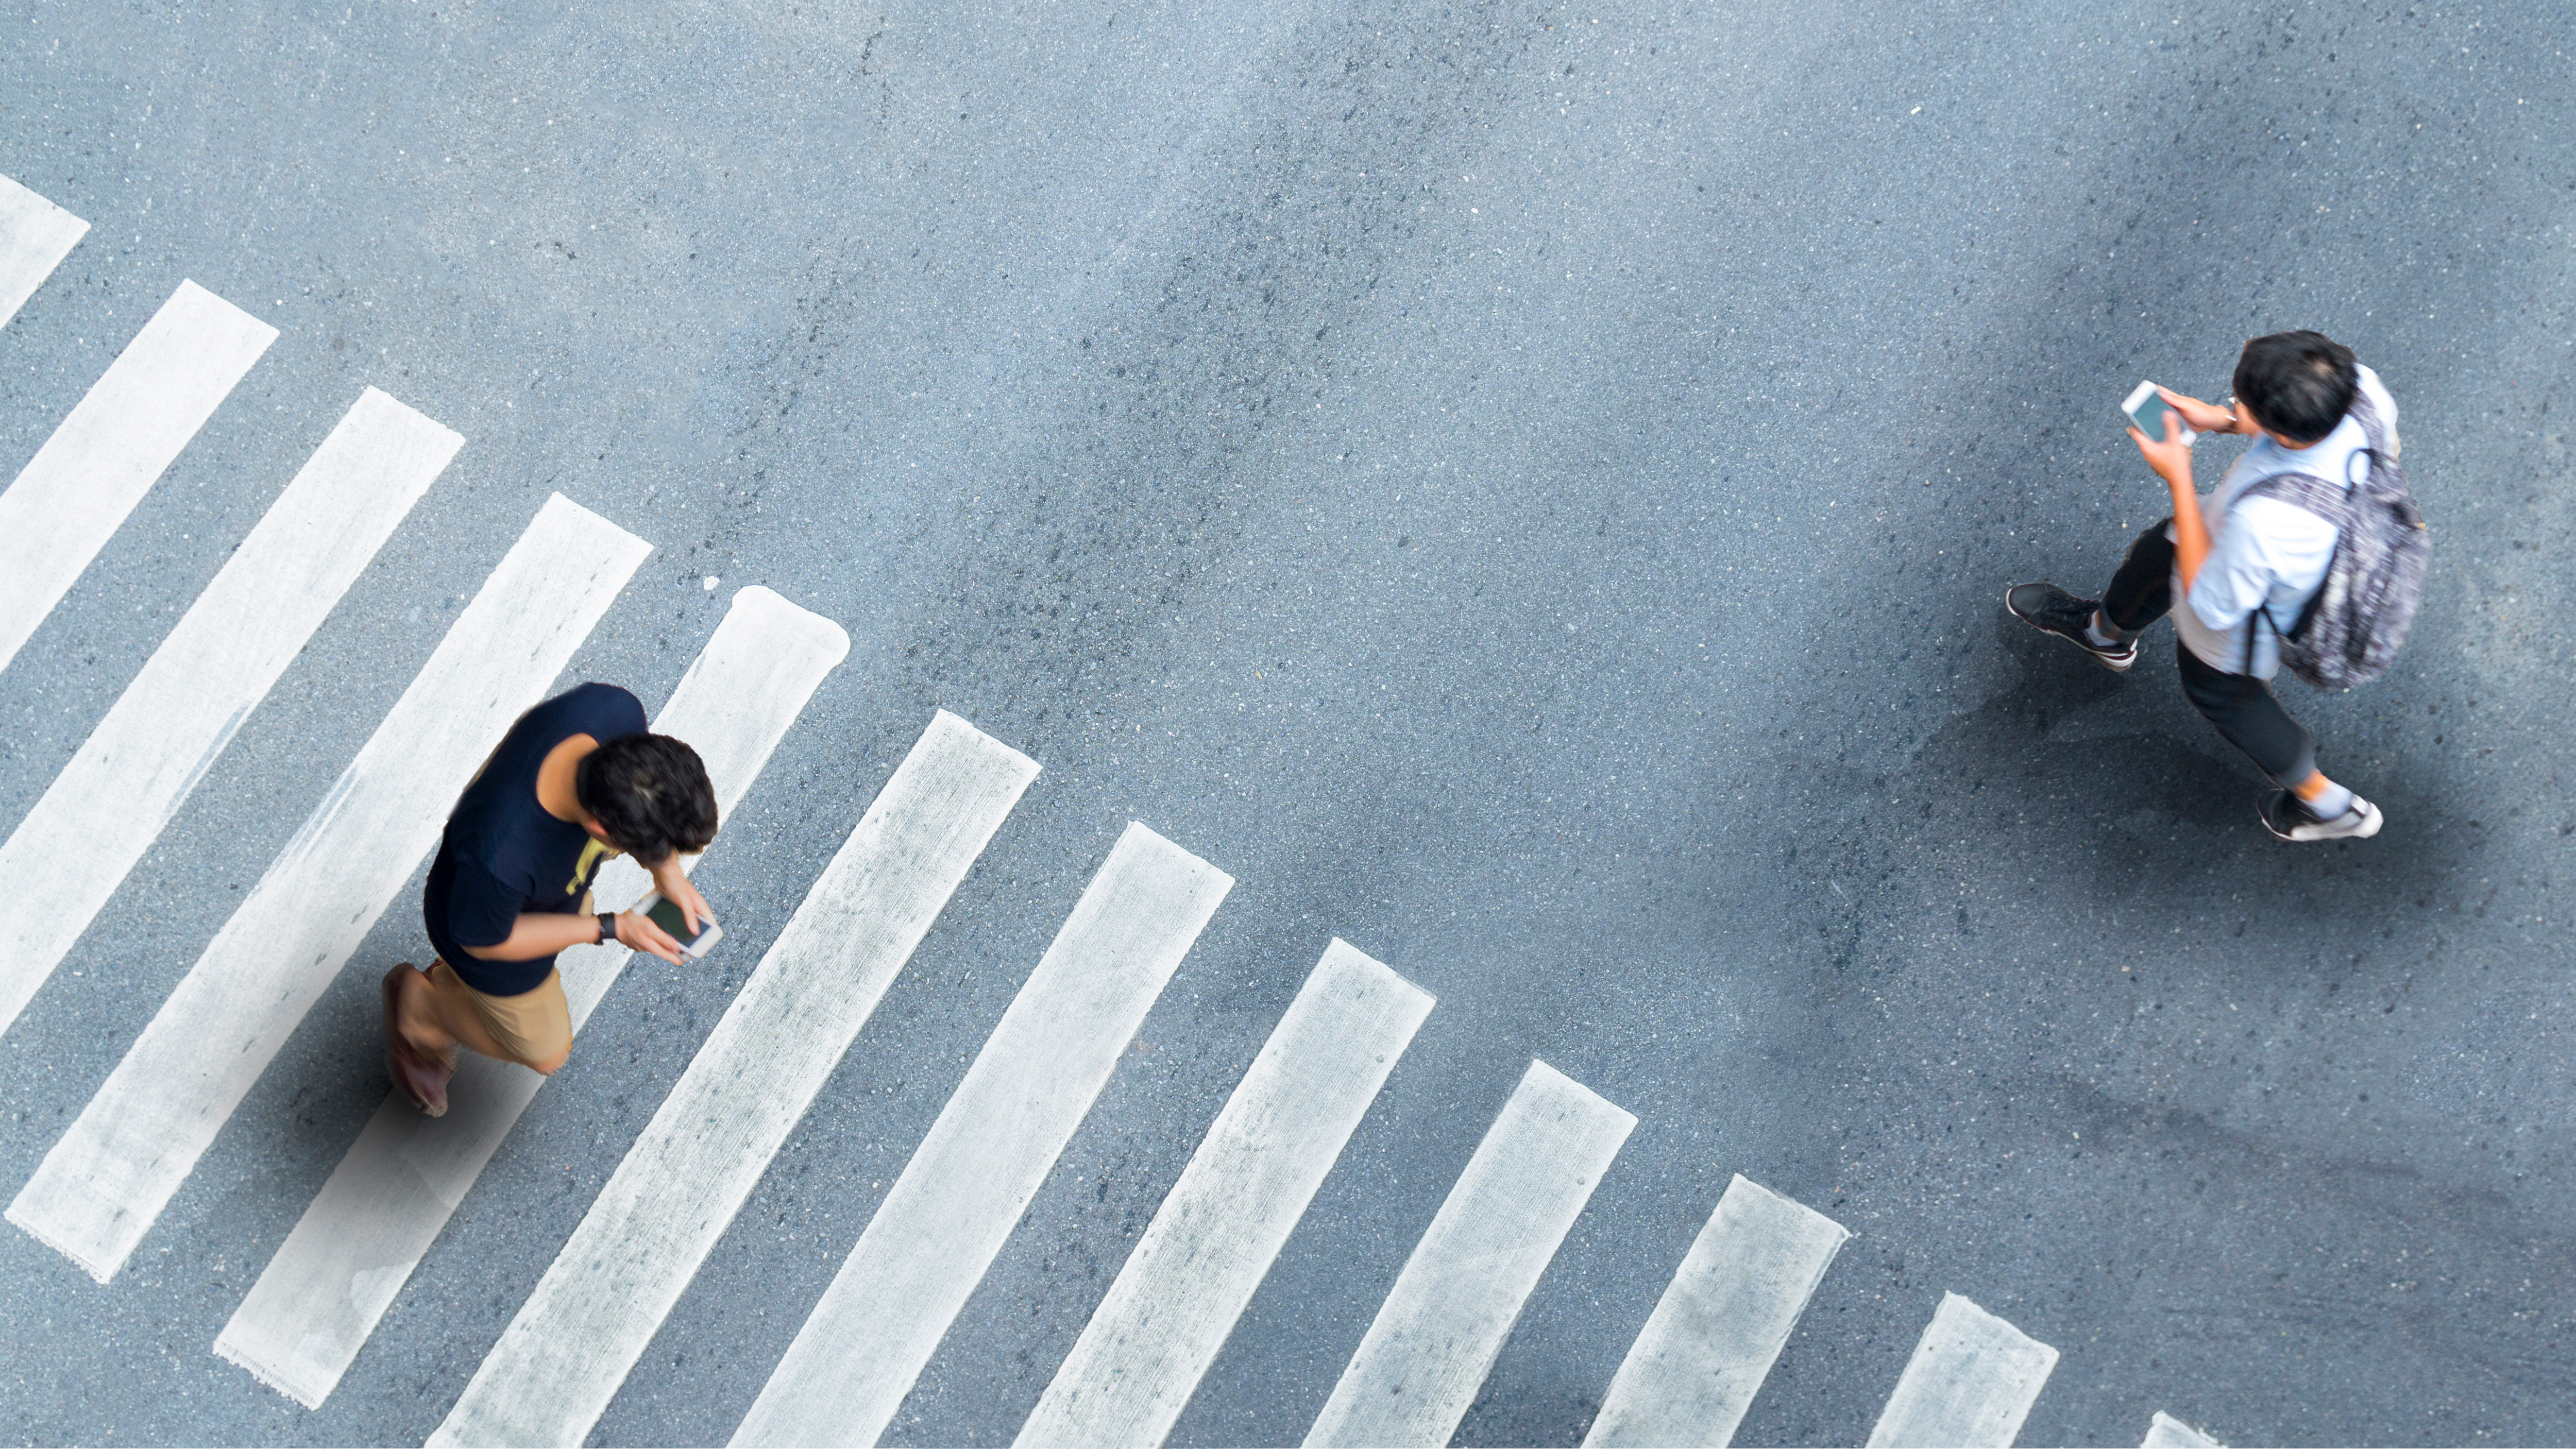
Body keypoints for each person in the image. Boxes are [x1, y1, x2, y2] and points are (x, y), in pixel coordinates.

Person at [2006, 330, 2394, 842]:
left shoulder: (2267, 524)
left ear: (2282, 432)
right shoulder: (2361, 390)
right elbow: (2296, 434)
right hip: (2304, 546)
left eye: (2246, 403)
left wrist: (2178, 477)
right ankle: (2104, 634)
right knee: (2157, 552)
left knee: (2220, 690)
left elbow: (2211, 600)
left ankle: (2325, 804)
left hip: (2254, 591)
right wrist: (2225, 419)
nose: (2238, 405)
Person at [383, 682, 717, 1115]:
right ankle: (423, 1009)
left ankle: (446, 988)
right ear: (598, 828)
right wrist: (611, 927)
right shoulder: (501, 858)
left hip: (518, 893)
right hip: (482, 933)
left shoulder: (614, 711)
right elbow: (487, 940)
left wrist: (668, 872)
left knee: (571, 905)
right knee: (547, 1052)